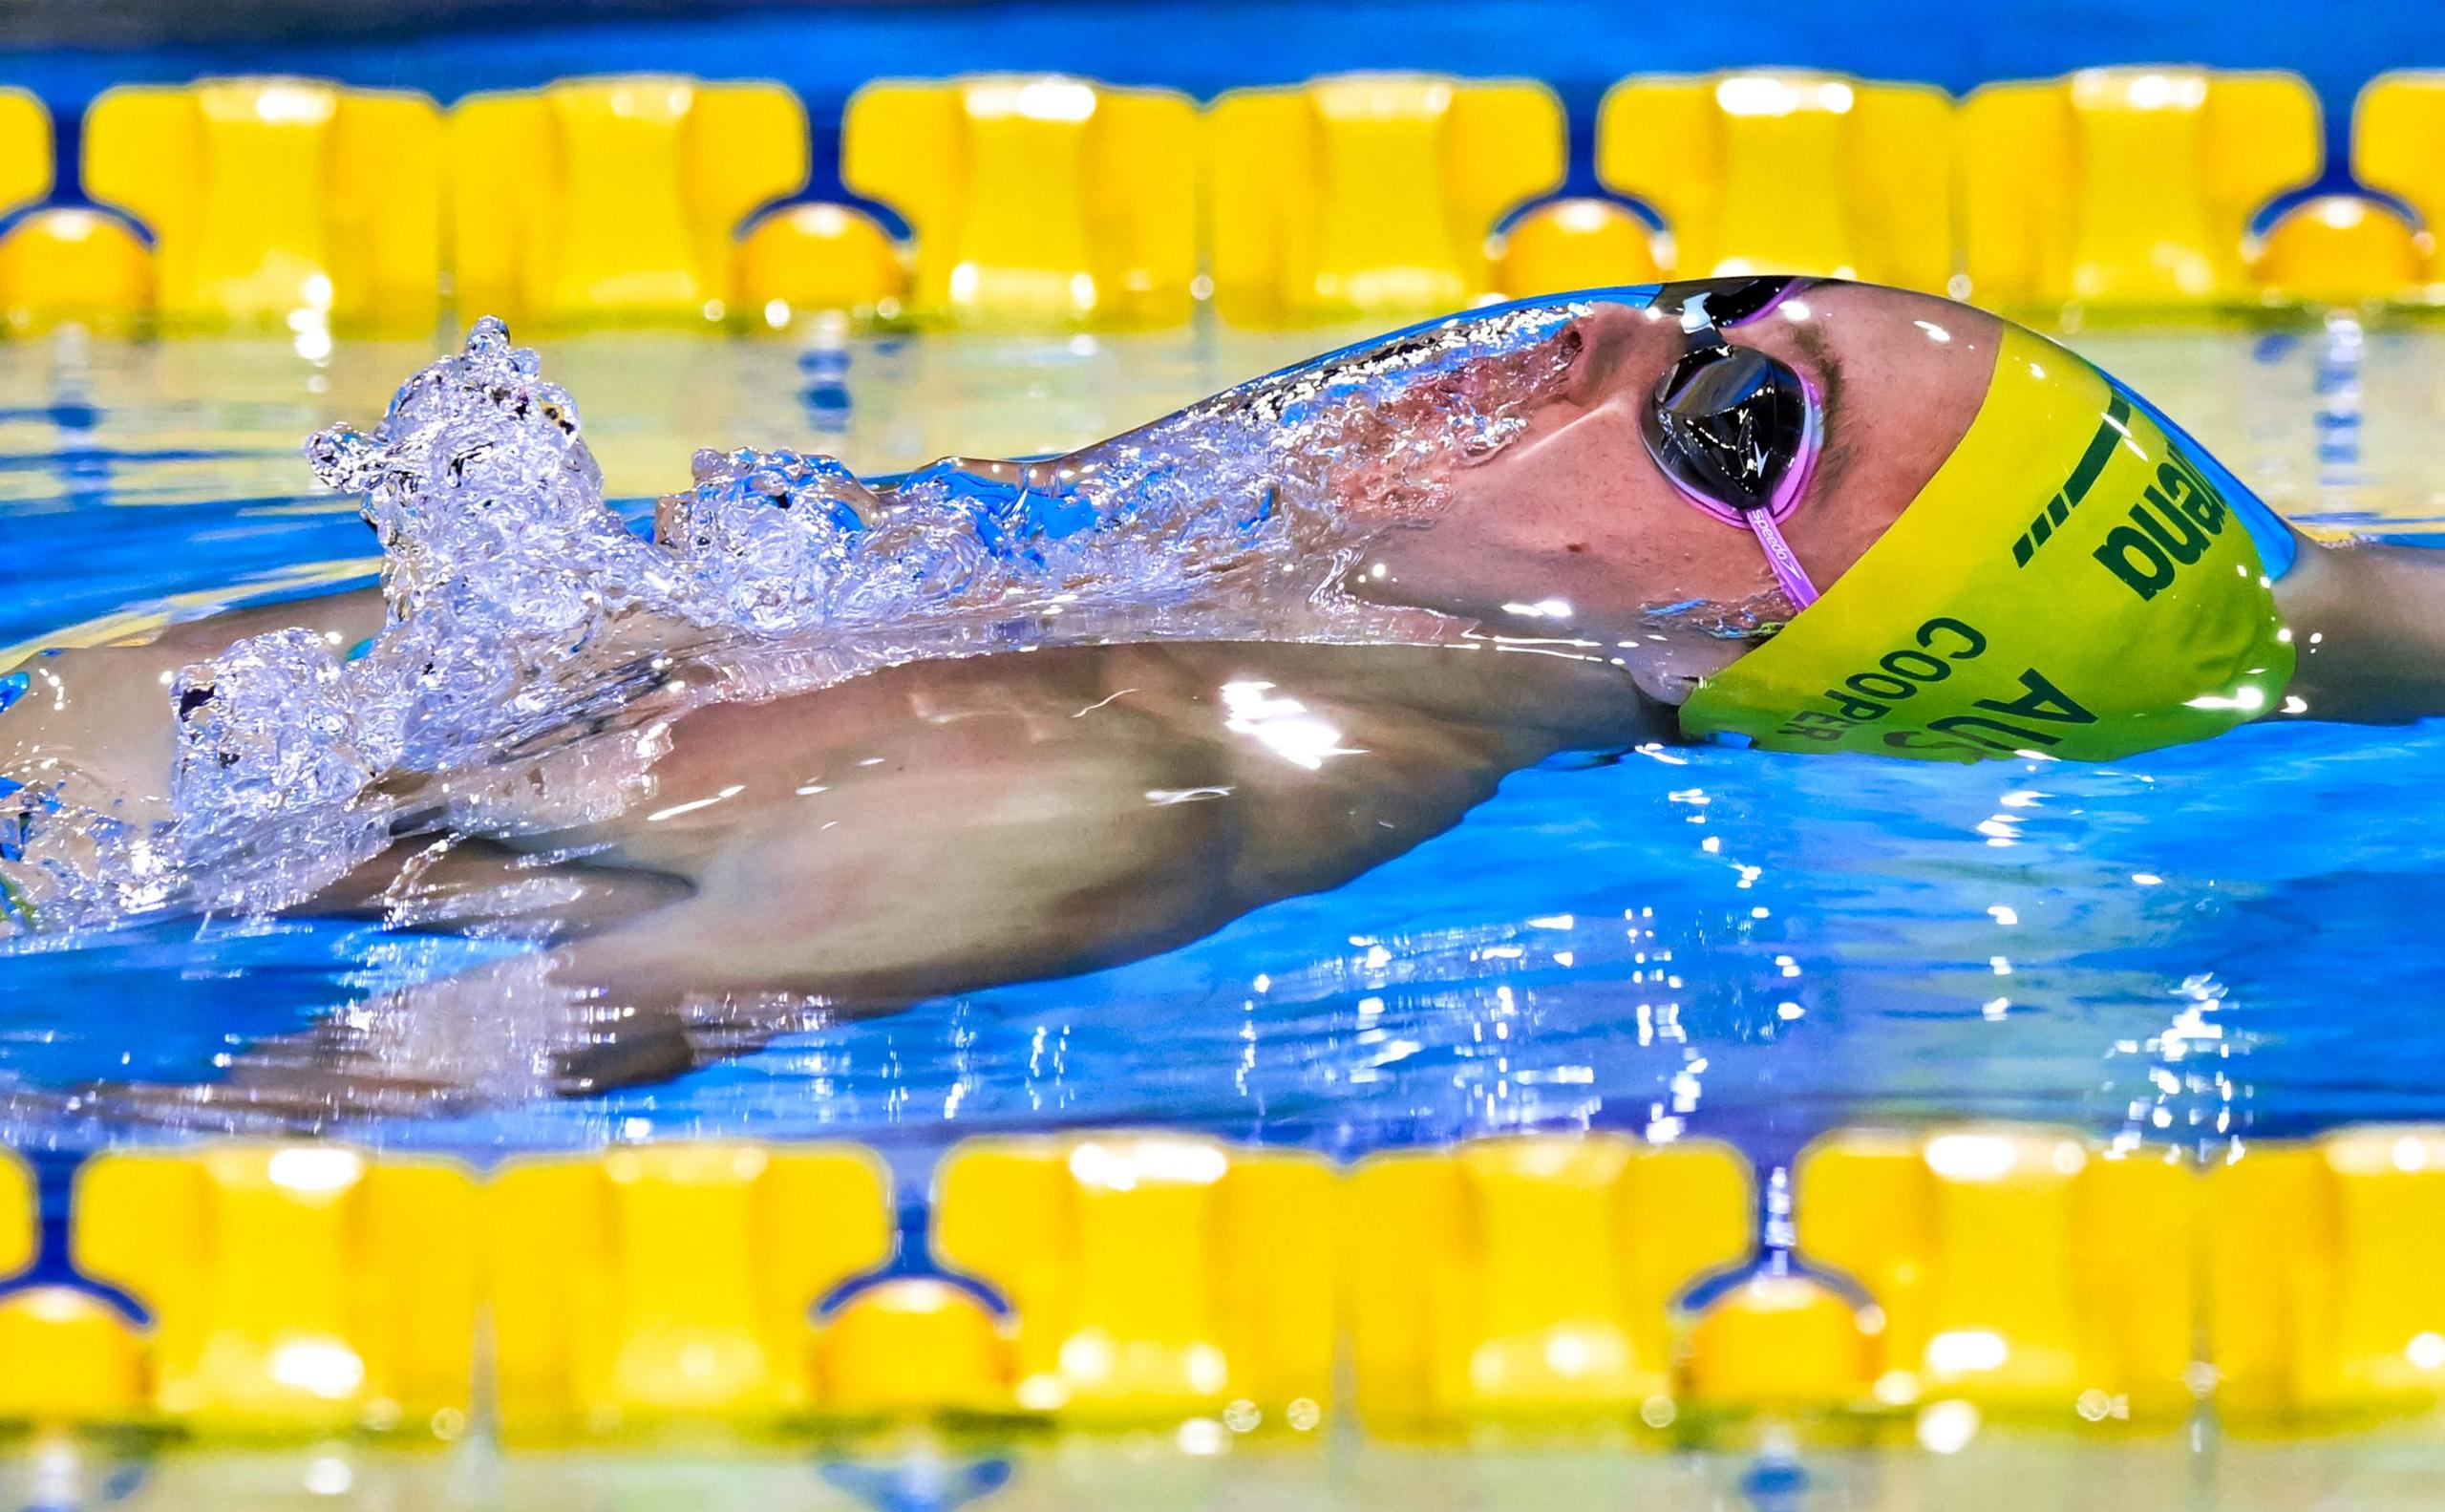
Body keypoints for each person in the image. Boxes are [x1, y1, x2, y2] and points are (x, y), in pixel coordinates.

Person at [5, 276, 2443, 1118]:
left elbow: (315, 1096)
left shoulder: (1121, 787)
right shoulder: (1109, 601)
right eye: (1715, 304)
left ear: (1737, 650)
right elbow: (2314, 615)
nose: (1610, 340)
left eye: (1728, 423)